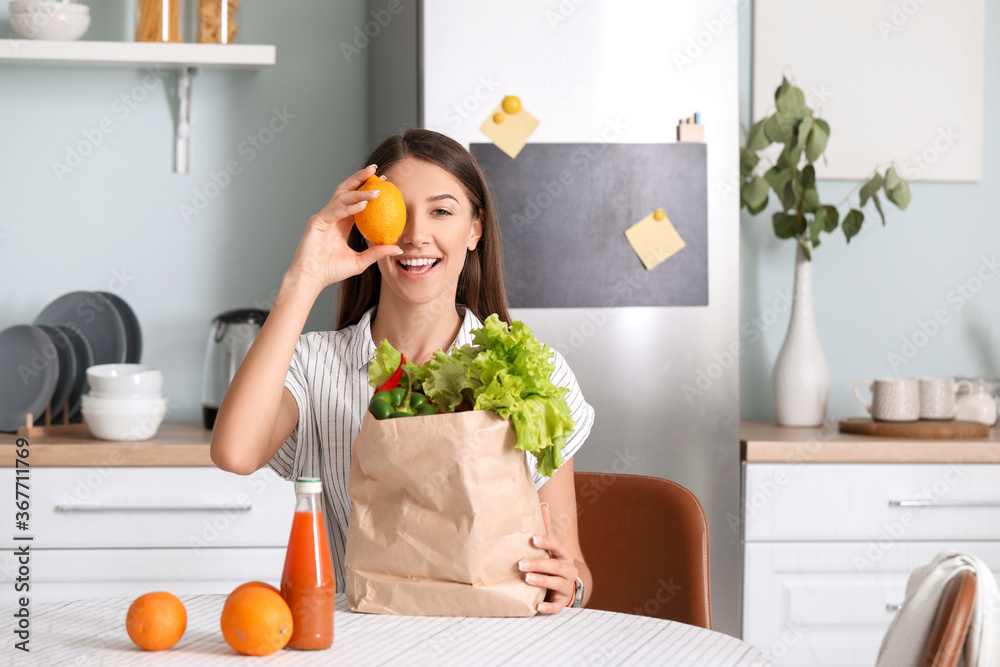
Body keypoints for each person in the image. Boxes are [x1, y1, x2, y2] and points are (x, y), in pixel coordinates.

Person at [210, 128, 595, 613]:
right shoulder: (315, 366)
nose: (416, 235)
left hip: (496, 646)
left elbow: (574, 567)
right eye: (397, 213)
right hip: (358, 646)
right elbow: (234, 452)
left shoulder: (534, 373)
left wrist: (570, 586)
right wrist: (304, 279)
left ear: (475, 229)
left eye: (441, 211)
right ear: (367, 227)